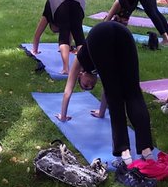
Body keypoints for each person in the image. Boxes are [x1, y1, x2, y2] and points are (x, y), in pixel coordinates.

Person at [57, 21, 155, 168]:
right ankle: (146, 152)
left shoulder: (79, 61)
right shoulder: (97, 67)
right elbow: (107, 91)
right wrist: (101, 113)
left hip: (103, 34)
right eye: (90, 87)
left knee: (130, 92)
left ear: (81, 75)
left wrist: (62, 116)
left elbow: (67, 91)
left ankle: (127, 154)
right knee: (121, 93)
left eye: (85, 85)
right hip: (121, 32)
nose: (89, 85)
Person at [32, 0, 86, 75]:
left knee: (65, 32)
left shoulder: (49, 11)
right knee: (79, 35)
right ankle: (84, 67)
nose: (57, 31)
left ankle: (66, 68)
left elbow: (37, 34)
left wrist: (35, 51)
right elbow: (74, 31)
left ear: (52, 24)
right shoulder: (53, 9)